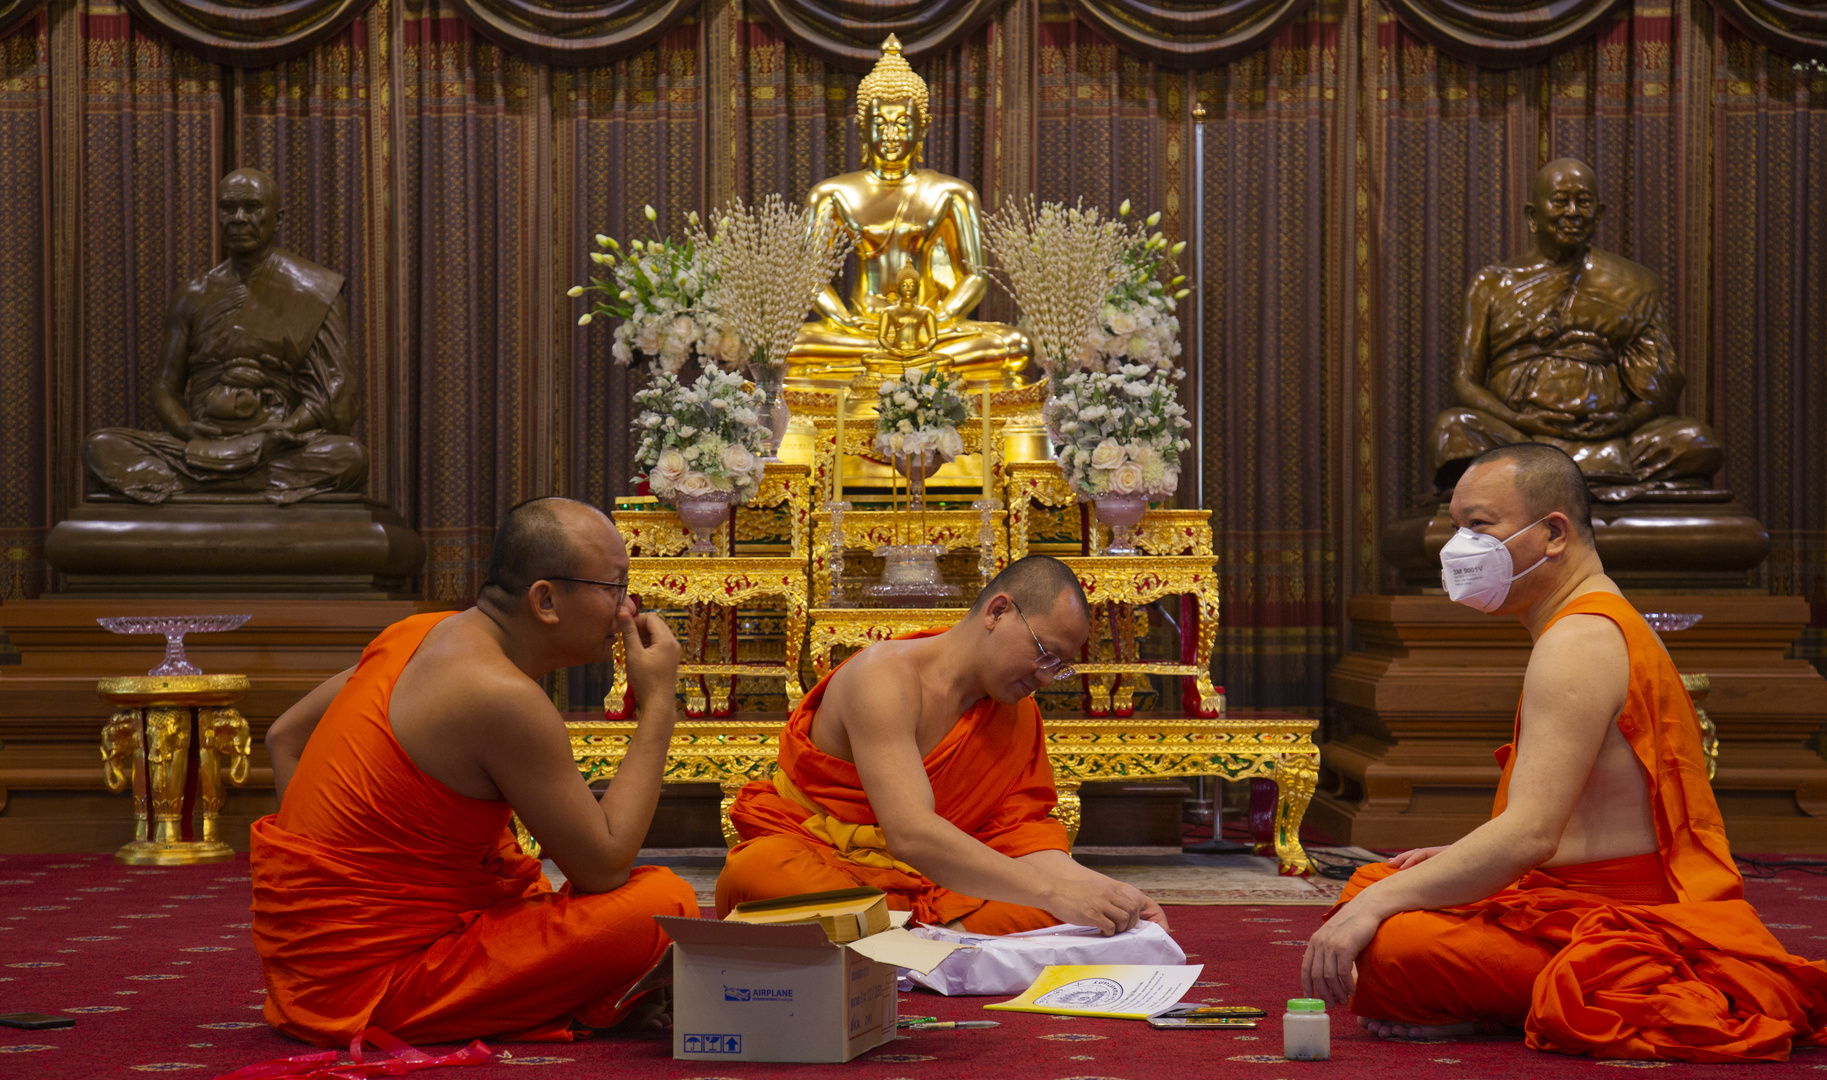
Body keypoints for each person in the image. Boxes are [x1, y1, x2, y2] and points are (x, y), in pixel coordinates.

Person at [1301, 443, 1827, 1061]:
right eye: (1454, 528)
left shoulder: (1578, 639)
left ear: (1552, 533)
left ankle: (1541, 992)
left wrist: (1375, 907)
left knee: (1389, 942)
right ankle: (1473, 992)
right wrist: (1420, 875)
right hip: (1566, 893)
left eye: (1478, 526)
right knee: (1381, 882)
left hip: (1618, 918)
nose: (1456, 548)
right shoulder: (1584, 622)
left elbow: (1529, 836)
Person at [250, 497, 698, 1045]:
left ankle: (575, 994)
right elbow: (601, 868)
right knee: (659, 905)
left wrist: (327, 896)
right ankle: (587, 1000)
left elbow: (284, 737)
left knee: (526, 876)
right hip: (375, 989)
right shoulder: (501, 696)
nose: (627, 608)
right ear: (547, 600)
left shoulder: (418, 631)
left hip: (303, 972)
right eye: (613, 587)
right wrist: (657, 706)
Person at [716, 554, 1168, 936]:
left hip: (940, 879)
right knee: (756, 874)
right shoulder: (884, 678)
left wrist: (1110, 894)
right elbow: (910, 833)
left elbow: (1022, 838)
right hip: (835, 867)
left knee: (1073, 913)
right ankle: (933, 936)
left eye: (1060, 667)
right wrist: (1054, 893)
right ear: (997, 611)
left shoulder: (1016, 711)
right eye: (1044, 654)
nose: (1046, 678)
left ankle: (899, 940)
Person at [1427, 158, 1721, 501]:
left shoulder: (1633, 283)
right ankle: (1557, 477)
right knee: (1451, 431)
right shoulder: (1492, 284)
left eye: (1583, 202)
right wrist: (1521, 420)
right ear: (1532, 216)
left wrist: (1622, 424)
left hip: (1611, 438)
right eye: (1560, 201)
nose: (1572, 212)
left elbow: (1661, 386)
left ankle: (1563, 480)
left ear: (1598, 214)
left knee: (1697, 440)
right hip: (1520, 436)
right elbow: (1465, 382)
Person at [82, 167, 369, 504]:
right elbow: (164, 388)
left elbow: (339, 395)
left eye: (251, 207)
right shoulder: (193, 293)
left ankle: (204, 486)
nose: (238, 218)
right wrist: (185, 429)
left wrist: (287, 429)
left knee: (349, 455)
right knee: (99, 446)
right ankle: (242, 484)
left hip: (274, 446)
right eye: (228, 208)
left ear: (277, 219)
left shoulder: (315, 291)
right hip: (202, 445)